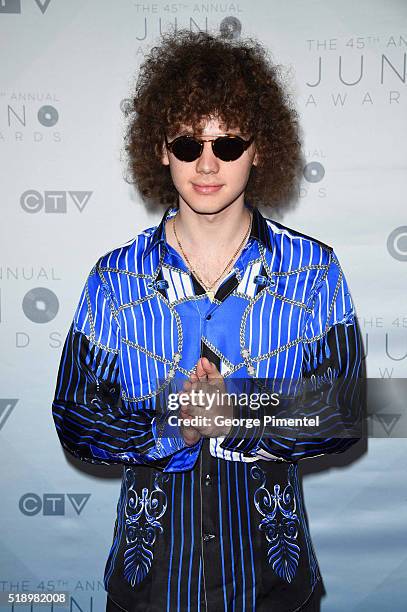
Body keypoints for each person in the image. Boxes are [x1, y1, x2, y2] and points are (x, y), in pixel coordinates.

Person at [52, 29, 366, 612]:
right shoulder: (112, 279)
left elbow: (347, 409)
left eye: (227, 144)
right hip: (149, 587)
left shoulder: (315, 270)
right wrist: (177, 424)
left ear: (260, 149)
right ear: (160, 148)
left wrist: (239, 411)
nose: (206, 163)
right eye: (187, 141)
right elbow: (74, 416)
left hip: (273, 586)